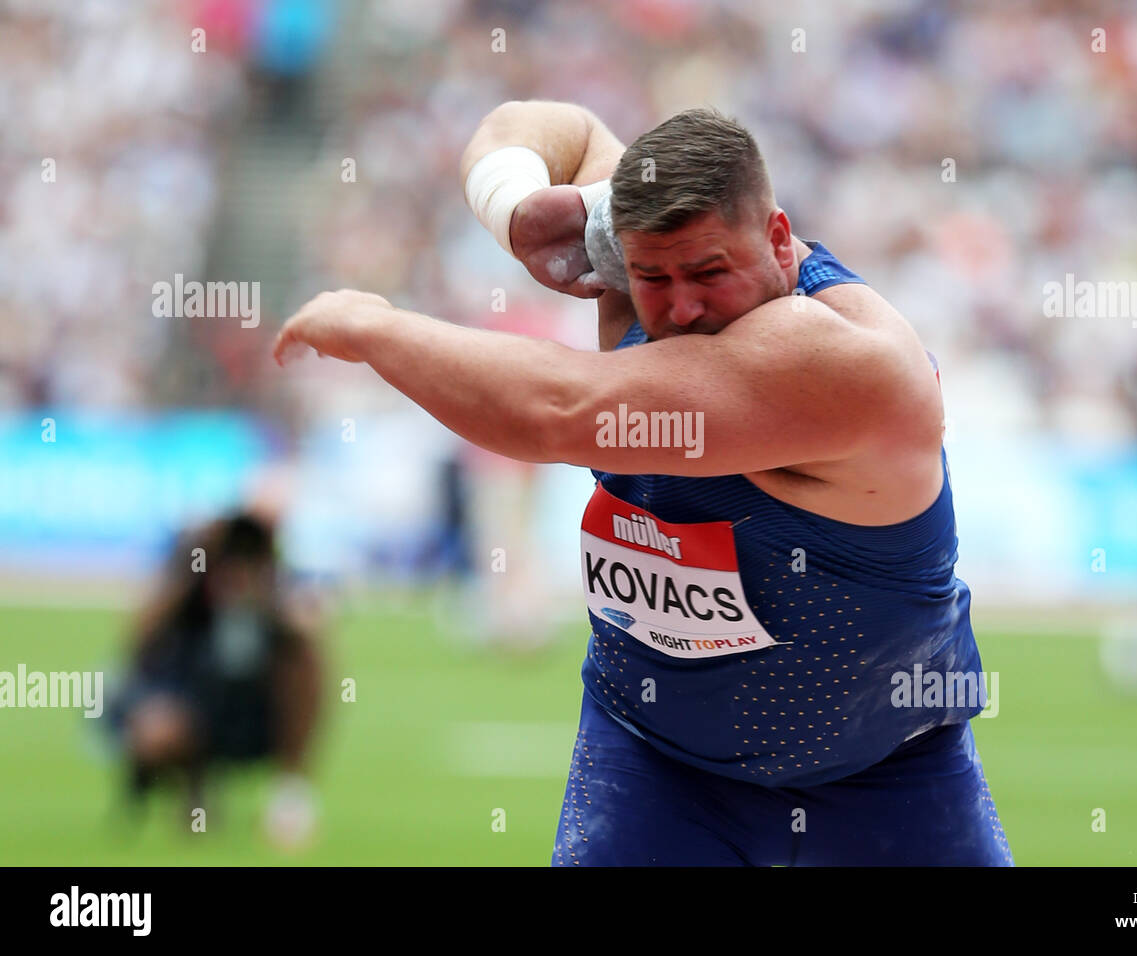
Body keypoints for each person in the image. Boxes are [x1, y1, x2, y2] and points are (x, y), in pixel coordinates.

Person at [273, 100, 1013, 866]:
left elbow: (559, 412)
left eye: (709, 273)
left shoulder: (843, 360)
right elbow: (553, 124)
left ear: (779, 239)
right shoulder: (638, 248)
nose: (682, 304)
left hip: (884, 770)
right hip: (656, 757)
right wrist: (518, 207)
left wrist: (373, 328)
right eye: (652, 276)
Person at [107, 511, 324, 849]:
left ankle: (290, 791)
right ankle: (186, 788)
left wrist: (266, 599)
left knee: (302, 664)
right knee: (159, 730)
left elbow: (311, 634)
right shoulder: (188, 590)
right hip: (190, 708)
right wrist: (194, 567)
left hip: (250, 717)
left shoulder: (273, 600)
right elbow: (137, 640)